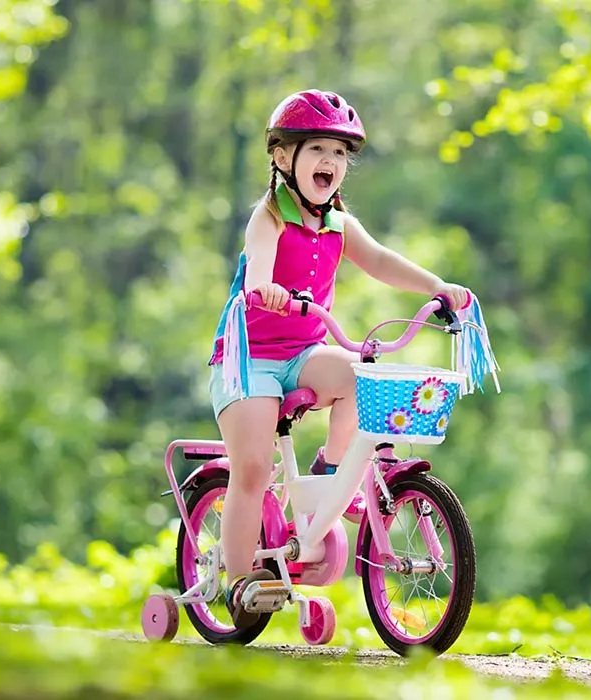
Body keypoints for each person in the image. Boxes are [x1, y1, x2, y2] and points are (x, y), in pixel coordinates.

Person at [207, 89, 471, 630]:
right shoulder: (268, 218)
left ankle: (331, 469)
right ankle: (239, 582)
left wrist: (438, 286)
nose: (330, 162)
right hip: (248, 359)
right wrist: (265, 291)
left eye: (339, 153)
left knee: (359, 376)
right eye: (317, 149)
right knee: (254, 468)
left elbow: (379, 261)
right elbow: (258, 263)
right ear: (283, 158)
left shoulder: (338, 224)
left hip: (302, 353)